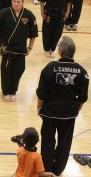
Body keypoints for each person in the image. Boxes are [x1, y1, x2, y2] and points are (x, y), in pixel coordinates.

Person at [36, 36, 89, 176]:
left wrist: (39, 108)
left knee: (47, 140)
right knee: (65, 142)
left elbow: (42, 92)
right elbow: (83, 97)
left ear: (59, 51)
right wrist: (75, 110)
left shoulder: (50, 67)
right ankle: (58, 170)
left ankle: (46, 169)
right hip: (69, 112)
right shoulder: (82, 71)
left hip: (50, 111)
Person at [0, 0, 38, 102]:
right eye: (14, 1)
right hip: (7, 48)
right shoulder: (3, 13)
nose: (16, 4)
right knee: (6, 70)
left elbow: (33, 33)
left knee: (19, 70)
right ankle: (6, 91)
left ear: (23, 2)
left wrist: (30, 48)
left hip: (21, 49)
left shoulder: (29, 15)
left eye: (18, 2)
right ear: (11, 1)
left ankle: (13, 91)